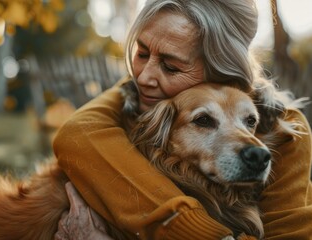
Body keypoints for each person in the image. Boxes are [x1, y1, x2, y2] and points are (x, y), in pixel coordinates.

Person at [53, 0, 312, 239]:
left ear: (220, 70)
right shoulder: (145, 100)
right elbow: (75, 133)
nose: (143, 78)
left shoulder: (287, 132)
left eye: (171, 67)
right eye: (142, 53)